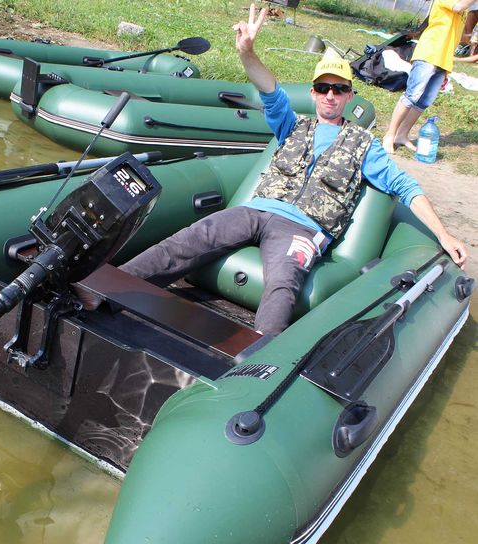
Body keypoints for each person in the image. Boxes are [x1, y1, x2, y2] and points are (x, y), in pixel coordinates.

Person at [107, 4, 467, 336]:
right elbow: (268, 88)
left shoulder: (365, 145)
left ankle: (260, 361)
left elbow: (406, 188)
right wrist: (247, 52)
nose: (330, 95)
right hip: (257, 210)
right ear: (313, 93)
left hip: (304, 228)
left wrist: (445, 236)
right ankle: (109, 289)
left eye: (339, 89)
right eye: (323, 88)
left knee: (282, 282)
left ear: (349, 96)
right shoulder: (292, 124)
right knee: (191, 237)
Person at [383, 0, 474, 153]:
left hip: (444, 58)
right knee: (412, 95)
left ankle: (401, 135)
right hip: (429, 53)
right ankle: (389, 135)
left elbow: (461, 31)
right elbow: (458, 7)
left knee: (424, 101)